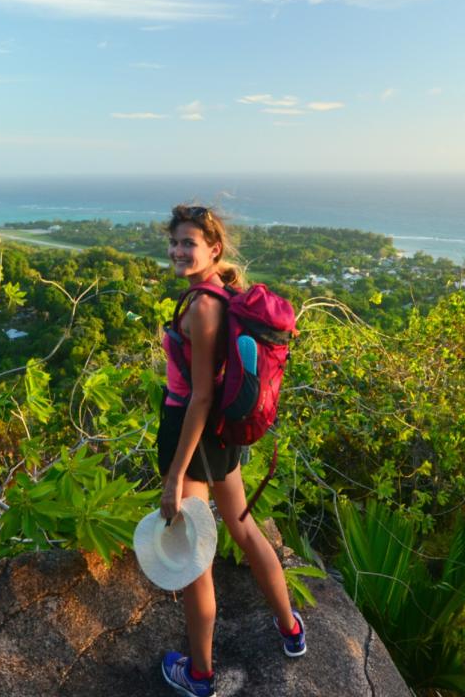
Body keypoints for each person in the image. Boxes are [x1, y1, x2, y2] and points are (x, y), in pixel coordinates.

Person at [158, 204, 305, 697]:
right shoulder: (224, 293)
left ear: (213, 249)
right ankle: (291, 630)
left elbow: (199, 394)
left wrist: (176, 473)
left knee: (196, 558)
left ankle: (199, 675)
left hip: (193, 430)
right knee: (243, 527)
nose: (179, 251)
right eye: (175, 242)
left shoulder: (202, 305)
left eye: (189, 243)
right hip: (221, 434)